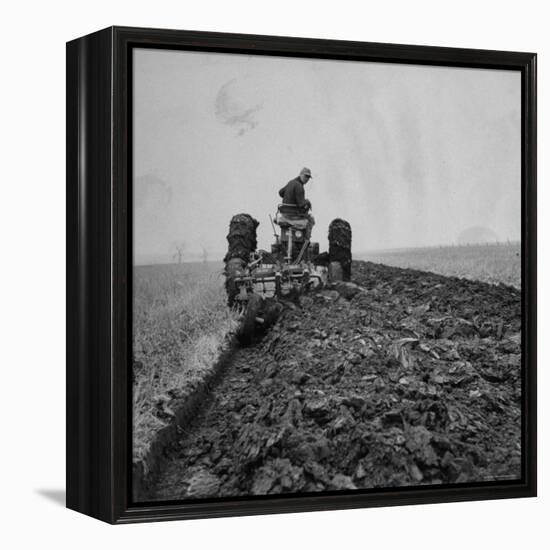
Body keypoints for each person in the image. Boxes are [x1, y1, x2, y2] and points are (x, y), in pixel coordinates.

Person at [278, 167, 315, 238]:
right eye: (305, 176)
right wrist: (307, 202)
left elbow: (280, 193)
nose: (307, 179)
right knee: (311, 219)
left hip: (285, 214)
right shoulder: (299, 186)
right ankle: (306, 240)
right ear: (300, 174)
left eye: (308, 177)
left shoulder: (290, 182)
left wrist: (290, 196)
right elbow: (301, 204)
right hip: (294, 215)